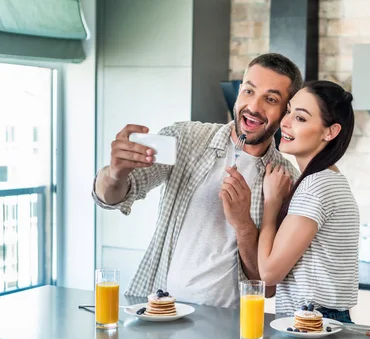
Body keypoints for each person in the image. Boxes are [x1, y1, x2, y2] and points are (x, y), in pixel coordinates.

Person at [92, 53, 302, 307]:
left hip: (227, 324)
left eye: (270, 99)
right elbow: (112, 197)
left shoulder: (286, 180)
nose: (254, 107)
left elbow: (266, 286)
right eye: (248, 91)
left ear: (286, 111)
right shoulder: (186, 138)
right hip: (161, 312)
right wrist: (115, 173)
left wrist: (244, 224)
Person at [257, 81, 359, 322]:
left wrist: (271, 204)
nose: (285, 122)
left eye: (300, 118)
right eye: (288, 111)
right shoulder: (329, 179)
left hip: (312, 323)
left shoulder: (317, 185)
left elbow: (269, 274)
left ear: (330, 132)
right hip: (322, 320)